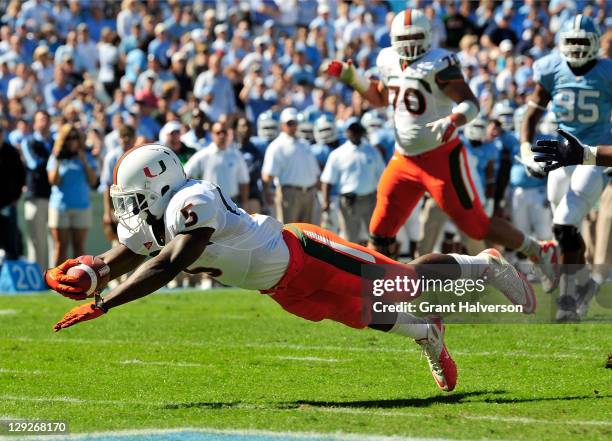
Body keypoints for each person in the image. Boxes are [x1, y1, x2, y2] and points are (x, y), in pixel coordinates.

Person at [46, 144, 537, 394]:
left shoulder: (192, 202)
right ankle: (428, 334)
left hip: (304, 250)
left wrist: (107, 302)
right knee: (364, 314)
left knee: (402, 282)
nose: (129, 209)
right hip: (281, 286)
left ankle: (485, 264)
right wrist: (93, 274)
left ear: (157, 186)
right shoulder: (162, 215)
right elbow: (127, 253)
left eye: (133, 199)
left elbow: (170, 263)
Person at [326, 8, 558, 289]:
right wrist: (354, 79)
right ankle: (385, 292)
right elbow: (378, 97)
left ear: (429, 36)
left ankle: (538, 250)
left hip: (442, 158)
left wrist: (453, 120)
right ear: (393, 38)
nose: (410, 44)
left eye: (416, 37)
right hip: (403, 159)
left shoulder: (439, 62)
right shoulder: (387, 59)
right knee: (380, 231)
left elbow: (470, 104)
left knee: (476, 226)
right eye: (404, 38)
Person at [521, 14, 611, 321]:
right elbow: (531, 114)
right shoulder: (551, 69)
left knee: (564, 222)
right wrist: (524, 149)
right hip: (561, 155)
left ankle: (568, 299)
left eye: (582, 42)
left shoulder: (606, 72)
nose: (575, 48)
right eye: (570, 41)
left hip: (593, 157)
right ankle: (584, 282)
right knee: (565, 230)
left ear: (595, 44)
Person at [321, 118, 385, 243]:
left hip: (370, 199)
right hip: (349, 202)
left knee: (374, 236)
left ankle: (374, 263)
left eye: (357, 130)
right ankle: (353, 263)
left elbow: (382, 177)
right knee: (350, 239)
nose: (354, 133)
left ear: (362, 131)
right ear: (346, 132)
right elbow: (327, 180)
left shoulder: (372, 152)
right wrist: (326, 202)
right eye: (352, 130)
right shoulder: (338, 154)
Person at [46, 124, 98, 266]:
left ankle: (78, 282)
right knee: (60, 247)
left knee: (79, 248)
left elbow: (93, 181)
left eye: (74, 137)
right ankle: (55, 283)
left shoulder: (86, 156)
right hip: (60, 206)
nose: (72, 141)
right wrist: (57, 159)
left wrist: (84, 161)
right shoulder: (56, 158)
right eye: (68, 138)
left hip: (81, 206)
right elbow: (53, 181)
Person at [262, 107, 320, 223]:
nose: (292, 126)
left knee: (307, 234)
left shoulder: (304, 144)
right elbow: (267, 175)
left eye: (294, 122)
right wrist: (267, 193)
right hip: (289, 194)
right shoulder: (277, 146)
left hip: (309, 193)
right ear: (282, 125)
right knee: (289, 232)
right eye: (289, 123)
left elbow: (315, 172)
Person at [184, 121, 250, 208]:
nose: (221, 135)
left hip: (233, 202)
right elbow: (186, 174)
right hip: (210, 203)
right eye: (218, 132)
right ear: (212, 135)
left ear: (229, 134)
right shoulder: (203, 155)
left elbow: (244, 182)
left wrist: (245, 204)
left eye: (224, 132)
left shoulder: (236, 155)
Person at [20, 110, 53, 270]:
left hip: (54, 197)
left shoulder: (54, 142)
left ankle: (55, 279)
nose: (44, 122)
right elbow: (34, 164)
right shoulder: (28, 142)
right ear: (35, 123)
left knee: (55, 241)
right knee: (36, 242)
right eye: (41, 119)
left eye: (46, 119)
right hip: (36, 196)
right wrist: (55, 157)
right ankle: (38, 279)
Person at [0, 124, 25, 261]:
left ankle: (12, 263)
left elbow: (21, 176)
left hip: (8, 203)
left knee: (11, 237)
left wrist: (16, 197)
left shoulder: (11, 152)